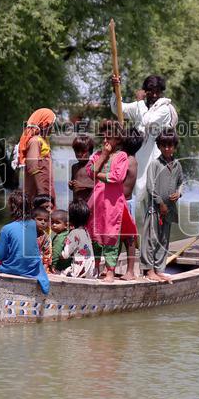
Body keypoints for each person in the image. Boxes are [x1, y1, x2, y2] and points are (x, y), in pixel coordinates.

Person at [111, 74, 179, 220]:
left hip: (156, 163)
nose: (154, 95)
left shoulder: (164, 109)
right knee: (140, 209)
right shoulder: (140, 106)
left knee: (156, 208)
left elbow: (147, 121)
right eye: (151, 91)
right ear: (145, 91)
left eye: (157, 91)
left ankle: (156, 233)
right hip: (139, 164)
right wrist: (115, 89)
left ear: (161, 92)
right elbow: (118, 109)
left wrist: (140, 102)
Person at [0, 190, 50, 294]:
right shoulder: (35, 226)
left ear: (11, 207)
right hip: (32, 270)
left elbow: (0, 256)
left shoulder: (7, 228)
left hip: (12, 269)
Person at [86, 119, 129, 282]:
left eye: (109, 137)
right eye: (103, 137)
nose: (105, 140)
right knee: (94, 235)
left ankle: (110, 271)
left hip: (113, 204)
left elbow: (117, 177)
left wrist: (98, 174)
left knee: (111, 235)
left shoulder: (122, 156)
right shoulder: (97, 155)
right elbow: (90, 172)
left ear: (117, 139)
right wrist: (103, 155)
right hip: (96, 203)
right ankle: (96, 268)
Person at [140, 128, 184, 282]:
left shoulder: (177, 165)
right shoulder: (155, 164)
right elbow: (150, 187)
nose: (167, 148)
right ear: (159, 146)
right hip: (155, 209)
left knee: (164, 239)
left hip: (170, 210)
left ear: (174, 147)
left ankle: (159, 269)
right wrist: (160, 203)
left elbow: (181, 182)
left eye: (170, 145)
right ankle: (149, 269)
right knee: (151, 239)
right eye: (164, 145)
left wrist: (179, 193)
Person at [118, 126, 144, 279]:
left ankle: (130, 271)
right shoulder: (129, 159)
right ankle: (111, 267)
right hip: (119, 202)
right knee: (116, 236)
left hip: (125, 203)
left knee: (129, 238)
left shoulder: (129, 161)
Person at [18, 108, 56, 207]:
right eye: (51, 125)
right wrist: (42, 193)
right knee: (39, 212)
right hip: (39, 191)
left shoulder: (43, 140)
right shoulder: (35, 141)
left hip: (45, 187)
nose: (52, 129)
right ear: (45, 125)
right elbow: (33, 168)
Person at [59, 200, 96, 278]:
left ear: (71, 218)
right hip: (90, 272)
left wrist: (57, 255)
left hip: (79, 270)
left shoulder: (74, 233)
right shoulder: (86, 233)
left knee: (61, 273)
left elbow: (65, 255)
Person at [69, 134, 95, 204]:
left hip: (89, 203)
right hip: (77, 203)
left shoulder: (94, 166)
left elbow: (99, 186)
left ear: (90, 152)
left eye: (83, 151)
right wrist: (71, 185)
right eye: (77, 151)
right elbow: (74, 187)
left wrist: (83, 185)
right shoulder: (74, 167)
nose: (79, 154)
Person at [50, 209, 72, 273]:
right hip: (68, 266)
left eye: (57, 223)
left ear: (66, 225)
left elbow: (56, 252)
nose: (54, 225)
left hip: (59, 268)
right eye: (52, 222)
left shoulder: (59, 237)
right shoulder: (68, 233)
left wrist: (53, 265)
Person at [33, 206, 53, 272]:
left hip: (39, 267)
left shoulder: (46, 237)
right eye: (39, 219)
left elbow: (48, 253)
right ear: (32, 220)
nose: (43, 222)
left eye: (46, 220)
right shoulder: (25, 234)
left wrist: (44, 269)